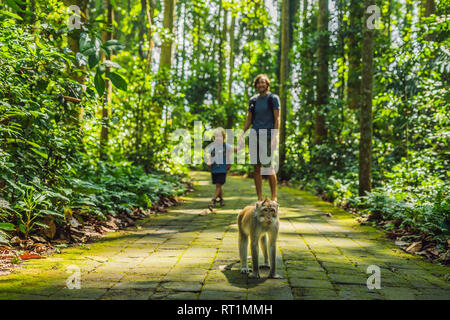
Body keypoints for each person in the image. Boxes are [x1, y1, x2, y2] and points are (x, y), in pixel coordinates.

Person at [238, 74, 280, 202]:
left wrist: (274, 137)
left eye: (263, 82)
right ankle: (260, 198)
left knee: (268, 167)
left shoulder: (273, 98)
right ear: (255, 85)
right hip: (254, 135)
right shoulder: (253, 100)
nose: (260, 85)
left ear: (267, 84)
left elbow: (277, 118)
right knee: (256, 168)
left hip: (267, 135)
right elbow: (249, 118)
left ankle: (274, 197)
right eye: (258, 83)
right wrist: (242, 134)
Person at [206, 128, 238, 208]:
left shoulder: (226, 146)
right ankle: (221, 200)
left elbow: (234, 150)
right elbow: (210, 156)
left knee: (218, 185)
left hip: (222, 169)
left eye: (220, 136)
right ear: (214, 138)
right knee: (218, 186)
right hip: (214, 169)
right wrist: (209, 162)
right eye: (216, 136)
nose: (218, 138)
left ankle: (213, 200)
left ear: (224, 137)